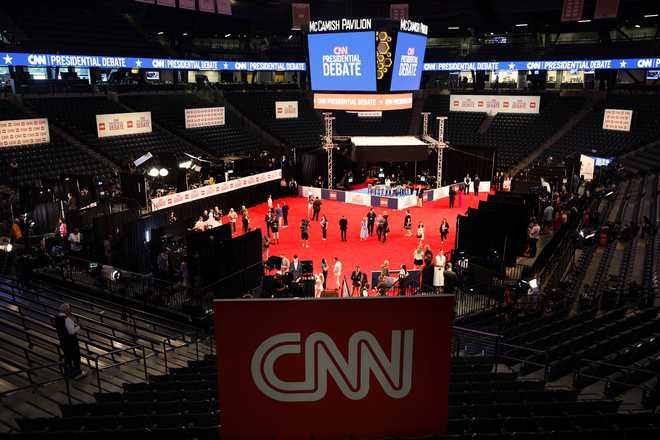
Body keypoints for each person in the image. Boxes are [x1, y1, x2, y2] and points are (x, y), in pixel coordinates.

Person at [55, 303, 85, 378]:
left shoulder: (57, 317)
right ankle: (77, 372)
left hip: (63, 341)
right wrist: (79, 327)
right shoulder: (66, 319)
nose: (70, 311)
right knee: (75, 357)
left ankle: (68, 372)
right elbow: (71, 332)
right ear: (66, 310)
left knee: (67, 357)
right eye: (69, 309)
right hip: (71, 342)